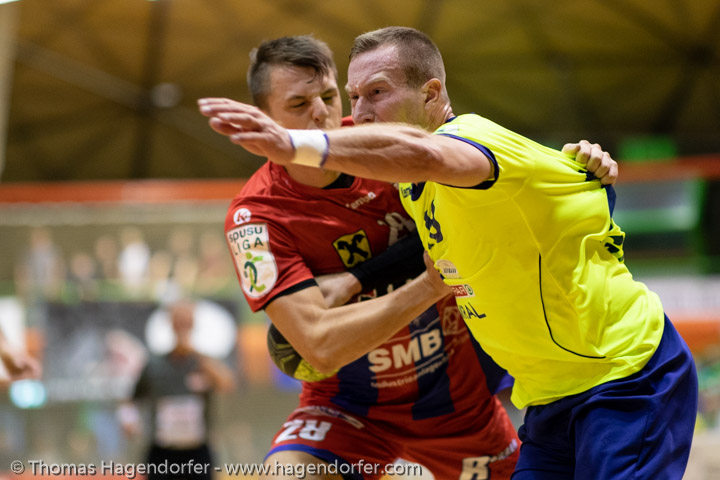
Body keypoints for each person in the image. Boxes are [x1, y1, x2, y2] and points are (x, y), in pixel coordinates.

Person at [200, 26, 698, 479]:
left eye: (330, 97)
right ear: (263, 120)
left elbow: (433, 153)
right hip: (353, 409)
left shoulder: (398, 147)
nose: (324, 115)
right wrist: (403, 282)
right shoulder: (257, 216)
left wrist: (587, 170)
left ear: (431, 93)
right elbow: (321, 344)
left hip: (477, 399)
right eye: (299, 104)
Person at [119, 300, 235, 480]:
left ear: (194, 323)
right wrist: (128, 419)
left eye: (186, 321)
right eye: (178, 320)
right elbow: (132, 398)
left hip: (197, 452)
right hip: (162, 452)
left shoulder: (205, 363)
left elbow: (227, 384)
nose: (183, 326)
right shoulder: (154, 365)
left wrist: (195, 354)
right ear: (170, 323)